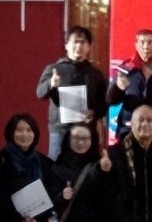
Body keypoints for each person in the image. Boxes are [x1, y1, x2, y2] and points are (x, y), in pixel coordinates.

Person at [35, 25, 108, 159]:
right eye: (75, 42)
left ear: (89, 47)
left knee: (88, 168)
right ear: (66, 45)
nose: (79, 46)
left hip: (86, 130)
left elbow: (104, 104)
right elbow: (39, 93)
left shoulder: (95, 74)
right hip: (60, 130)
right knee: (56, 166)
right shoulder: (54, 69)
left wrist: (94, 112)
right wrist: (51, 84)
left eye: (83, 42)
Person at [107, 28, 152, 140]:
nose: (146, 47)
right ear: (136, 45)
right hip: (130, 129)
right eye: (142, 42)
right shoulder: (126, 68)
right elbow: (111, 100)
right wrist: (118, 88)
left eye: (149, 42)